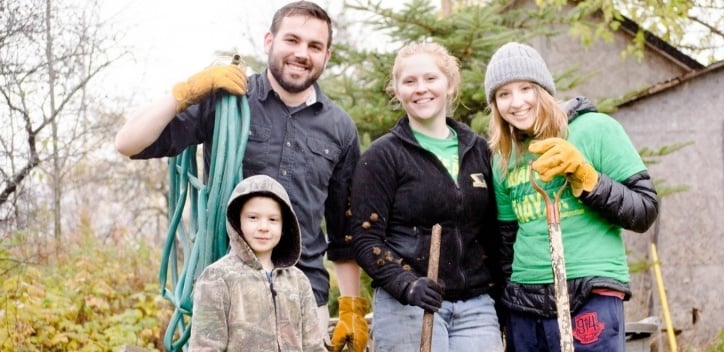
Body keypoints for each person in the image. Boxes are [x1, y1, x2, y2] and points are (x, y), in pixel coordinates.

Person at [114, 2, 368, 350]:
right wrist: (185, 93)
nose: (301, 53)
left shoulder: (339, 128)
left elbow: (344, 232)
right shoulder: (228, 101)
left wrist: (352, 307)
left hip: (304, 297)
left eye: (314, 46)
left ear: (326, 55)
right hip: (225, 296)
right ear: (269, 41)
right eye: (291, 40)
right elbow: (128, 143)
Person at [483, 41, 660, 351]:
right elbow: (505, 246)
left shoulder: (594, 130)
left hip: (589, 290)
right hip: (524, 301)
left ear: (544, 89)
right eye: (504, 94)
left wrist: (586, 177)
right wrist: (503, 308)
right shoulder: (502, 158)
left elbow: (645, 209)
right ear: (495, 104)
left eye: (526, 88)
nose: (517, 102)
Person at [350, 41, 504, 351]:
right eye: (409, 81)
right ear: (397, 90)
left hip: (476, 307)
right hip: (407, 308)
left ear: (449, 84)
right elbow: (366, 240)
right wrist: (407, 284)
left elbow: (494, 233)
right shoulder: (383, 157)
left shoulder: (479, 151)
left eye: (431, 78)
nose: (421, 89)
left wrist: (503, 297)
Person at [189, 174, 325, 351]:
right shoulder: (217, 278)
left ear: (285, 226)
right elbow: (205, 347)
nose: (263, 227)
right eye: (253, 217)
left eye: (273, 219)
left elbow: (313, 346)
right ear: (238, 221)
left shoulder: (298, 282)